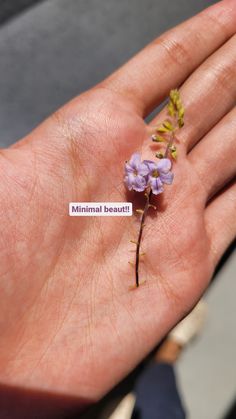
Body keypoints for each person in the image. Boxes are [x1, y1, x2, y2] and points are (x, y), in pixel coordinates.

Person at [0, 0, 235, 417]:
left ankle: (161, 360)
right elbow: (116, 196)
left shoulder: (152, 175)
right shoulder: (145, 177)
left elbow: (124, 193)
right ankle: (163, 360)